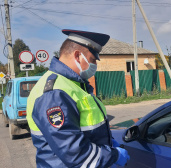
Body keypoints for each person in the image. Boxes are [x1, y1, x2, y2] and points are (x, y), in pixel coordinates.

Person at [26, 29, 130, 168]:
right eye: (93, 60)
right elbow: (75, 154)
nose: (95, 66)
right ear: (77, 56)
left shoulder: (75, 85)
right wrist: (114, 156)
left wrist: (110, 144)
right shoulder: (54, 93)